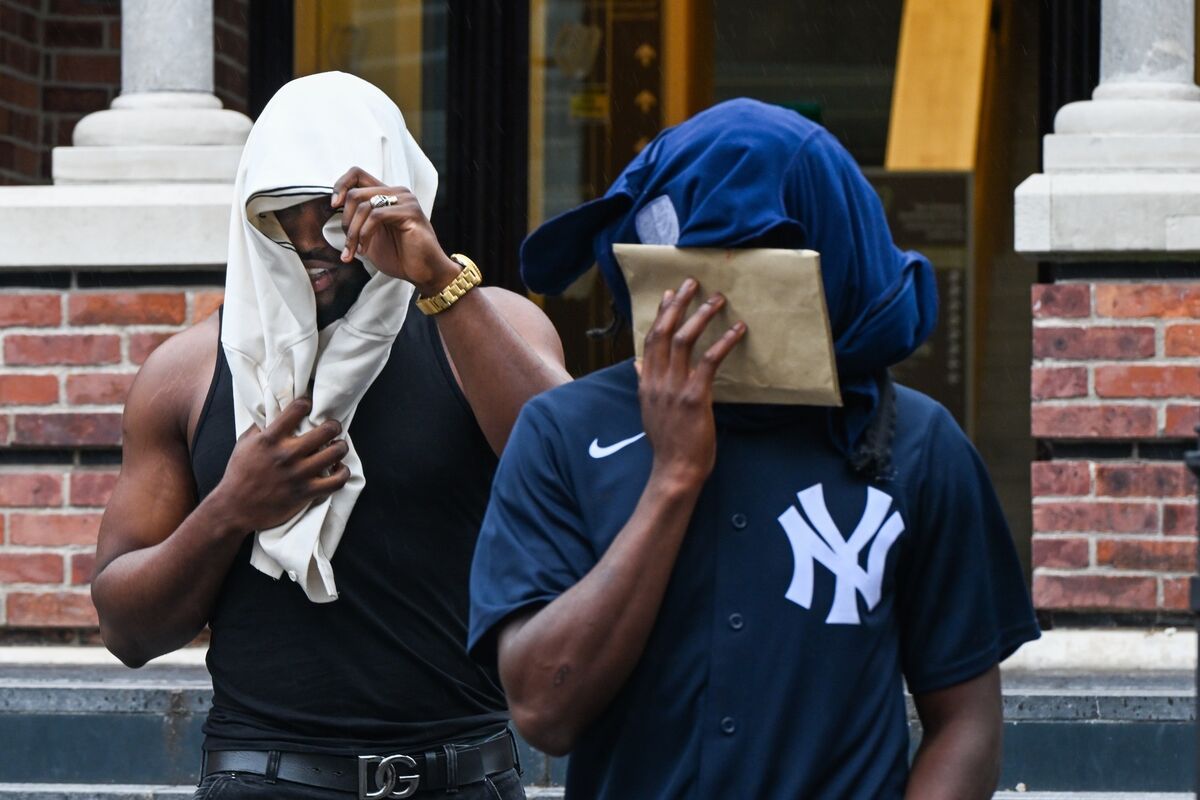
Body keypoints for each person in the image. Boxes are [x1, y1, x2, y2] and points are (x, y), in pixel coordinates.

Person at [468, 99, 1040, 799]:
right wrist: (673, 478)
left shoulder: (915, 445)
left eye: (741, 267)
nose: (708, 300)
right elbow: (542, 712)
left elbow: (966, 723)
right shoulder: (565, 432)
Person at [91, 72, 568, 799]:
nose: (312, 236)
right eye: (286, 208)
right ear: (251, 209)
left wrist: (437, 276)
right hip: (266, 776)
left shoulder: (483, 326)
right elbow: (127, 631)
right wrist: (229, 510)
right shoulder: (187, 375)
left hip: (461, 771)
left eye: (338, 210)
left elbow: (573, 476)